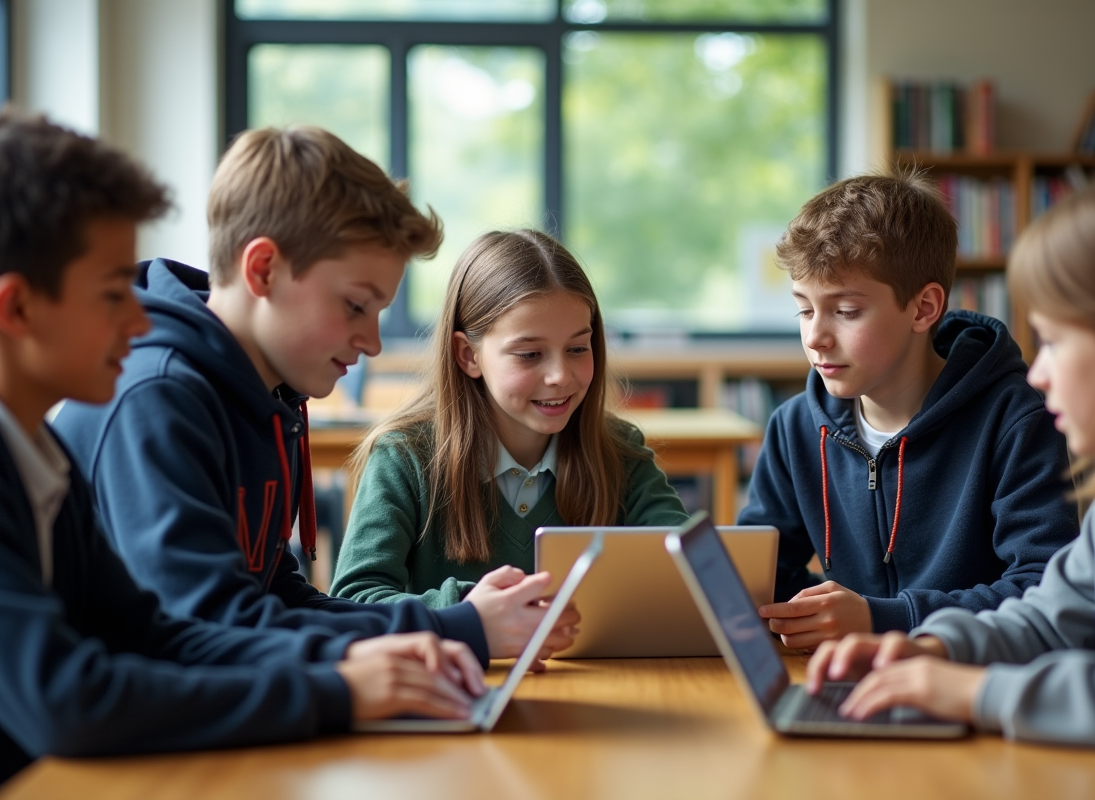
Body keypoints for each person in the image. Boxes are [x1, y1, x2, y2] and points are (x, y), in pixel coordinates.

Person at [0, 111, 486, 784]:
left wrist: (378, 661)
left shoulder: (38, 454)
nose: (138, 318)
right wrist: (343, 689)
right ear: (18, 309)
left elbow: (162, 632)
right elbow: (72, 700)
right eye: (113, 294)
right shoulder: (148, 398)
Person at [52, 126, 572, 669]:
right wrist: (455, 629)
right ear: (263, 270)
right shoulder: (155, 399)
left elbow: (275, 597)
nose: (371, 341)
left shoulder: (266, 397)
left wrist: (459, 618)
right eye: (354, 306)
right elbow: (209, 629)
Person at [807, 166, 1095, 799]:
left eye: (1054, 341)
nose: (1038, 374)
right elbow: (1047, 621)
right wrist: (934, 650)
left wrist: (975, 691)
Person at [739, 170, 1078, 648]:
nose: (815, 336)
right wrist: (818, 614)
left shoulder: (1015, 421)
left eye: (846, 311)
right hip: (846, 671)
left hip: (971, 678)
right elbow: (761, 573)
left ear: (923, 309)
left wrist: (884, 618)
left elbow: (1044, 588)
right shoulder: (795, 426)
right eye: (804, 309)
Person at [331, 229, 689, 607]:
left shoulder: (618, 451)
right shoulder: (405, 456)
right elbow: (355, 600)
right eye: (530, 354)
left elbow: (690, 562)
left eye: (577, 348)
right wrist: (474, 610)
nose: (560, 376)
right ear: (468, 355)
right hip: (465, 666)